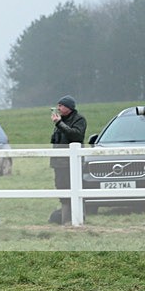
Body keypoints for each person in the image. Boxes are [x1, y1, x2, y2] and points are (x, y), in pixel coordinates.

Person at [49, 95, 86, 225]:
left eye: (61, 105)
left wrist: (59, 123)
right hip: (59, 163)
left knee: (74, 189)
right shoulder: (60, 121)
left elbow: (76, 135)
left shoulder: (79, 120)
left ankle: (76, 218)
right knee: (61, 189)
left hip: (71, 163)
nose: (58, 108)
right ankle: (65, 219)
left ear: (69, 107)